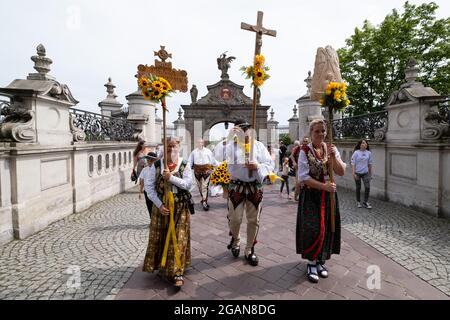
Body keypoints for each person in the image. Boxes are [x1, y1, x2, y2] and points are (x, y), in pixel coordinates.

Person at [296, 119, 346, 283]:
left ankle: (320, 261)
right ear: (311, 133)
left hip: (329, 196)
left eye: (323, 131)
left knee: (327, 228)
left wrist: (334, 159)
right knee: (313, 228)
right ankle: (311, 262)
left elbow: (341, 171)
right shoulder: (304, 151)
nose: (320, 134)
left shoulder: (331, 148)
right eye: (317, 131)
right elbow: (303, 177)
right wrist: (324, 187)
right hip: (311, 196)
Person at [142, 136, 193, 288]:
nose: (171, 149)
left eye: (174, 146)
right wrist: (158, 205)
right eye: (168, 146)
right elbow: (149, 188)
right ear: (164, 147)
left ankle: (178, 272)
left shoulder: (184, 164)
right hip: (162, 209)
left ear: (179, 146)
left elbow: (188, 185)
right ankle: (162, 265)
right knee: (162, 237)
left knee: (179, 238)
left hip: (180, 207)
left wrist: (171, 178)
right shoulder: (157, 165)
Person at [225, 119, 274, 266]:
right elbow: (218, 155)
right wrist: (229, 138)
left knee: (254, 220)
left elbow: (270, 164)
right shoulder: (231, 146)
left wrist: (257, 166)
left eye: (246, 129)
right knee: (235, 219)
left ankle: (249, 249)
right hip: (237, 186)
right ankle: (236, 239)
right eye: (240, 130)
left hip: (254, 187)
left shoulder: (259, 146)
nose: (244, 132)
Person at [188, 138, 219, 211]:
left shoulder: (208, 151)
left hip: (206, 171)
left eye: (200, 142)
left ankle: (204, 202)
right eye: (198, 143)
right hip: (197, 171)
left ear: (203, 143)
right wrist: (187, 169)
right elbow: (190, 161)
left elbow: (213, 160)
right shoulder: (193, 152)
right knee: (200, 187)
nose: (199, 144)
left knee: (204, 186)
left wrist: (217, 166)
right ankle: (203, 198)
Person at [351, 139, 373, 209]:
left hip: (365, 173)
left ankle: (365, 202)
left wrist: (370, 175)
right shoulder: (356, 153)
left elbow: (370, 165)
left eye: (366, 143)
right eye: (363, 143)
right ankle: (358, 201)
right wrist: (353, 173)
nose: (365, 144)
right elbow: (353, 164)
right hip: (357, 173)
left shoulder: (369, 153)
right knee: (358, 187)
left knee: (367, 187)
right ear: (360, 145)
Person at [138, 151, 159, 219]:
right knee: (149, 207)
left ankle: (156, 220)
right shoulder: (145, 169)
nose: (148, 161)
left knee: (156, 207)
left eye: (150, 160)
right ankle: (151, 219)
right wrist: (140, 191)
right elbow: (142, 181)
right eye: (147, 160)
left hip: (156, 192)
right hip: (146, 192)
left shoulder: (157, 169)